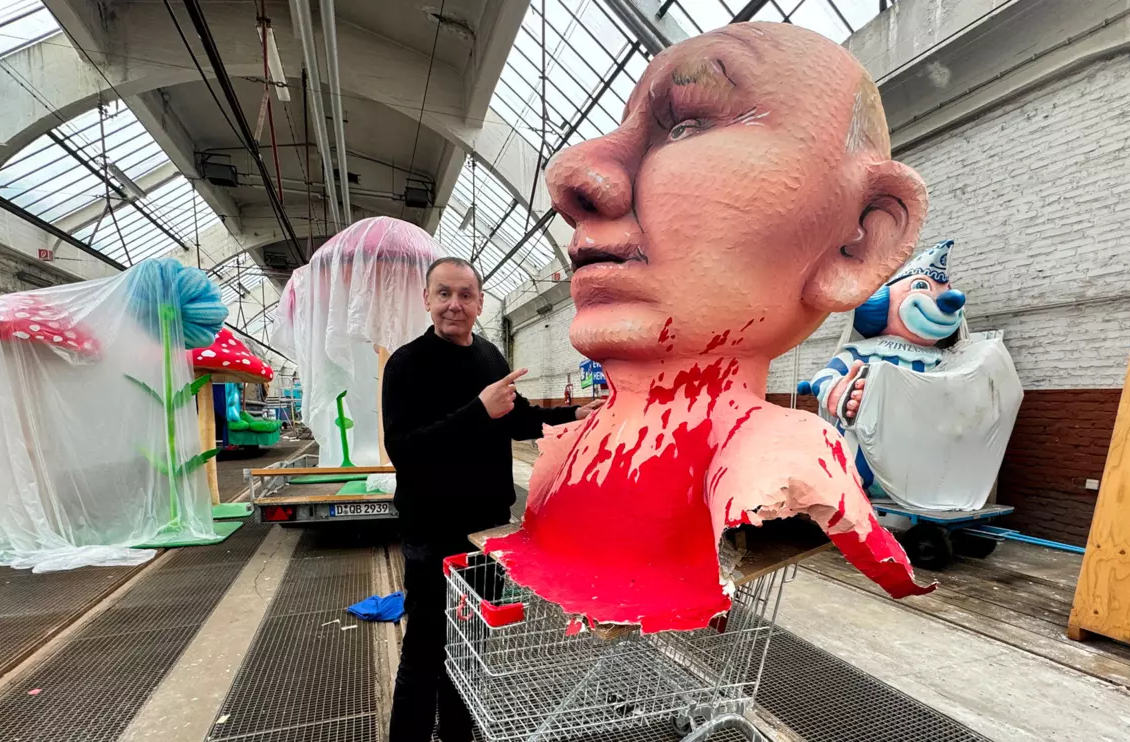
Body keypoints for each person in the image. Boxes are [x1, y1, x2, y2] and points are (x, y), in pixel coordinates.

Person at [483, 22, 936, 633]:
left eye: (687, 122)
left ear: (856, 242)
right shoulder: (569, 450)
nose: (573, 176)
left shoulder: (784, 453)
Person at [382, 256, 602, 742]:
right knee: (425, 650)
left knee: (468, 648)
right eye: (444, 294)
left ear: (480, 302)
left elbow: (517, 418)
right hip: (432, 533)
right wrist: (478, 411)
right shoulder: (406, 365)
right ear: (427, 300)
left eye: (465, 295)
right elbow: (405, 450)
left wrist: (574, 415)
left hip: (486, 531)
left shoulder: (489, 358)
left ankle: (459, 733)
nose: (454, 305)